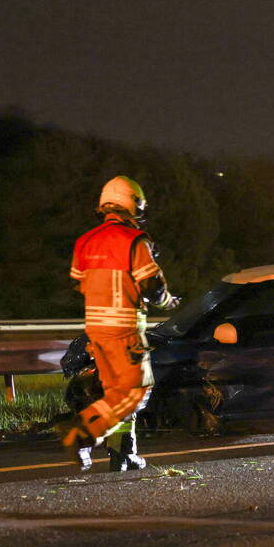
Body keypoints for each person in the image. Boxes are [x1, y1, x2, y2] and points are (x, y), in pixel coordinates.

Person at [58, 176, 179, 471]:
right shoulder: (135, 240)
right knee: (138, 392)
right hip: (124, 327)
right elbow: (153, 286)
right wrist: (168, 302)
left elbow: (77, 283)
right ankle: (84, 433)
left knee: (115, 395)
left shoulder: (84, 241)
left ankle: (124, 452)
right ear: (133, 205)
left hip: (95, 330)